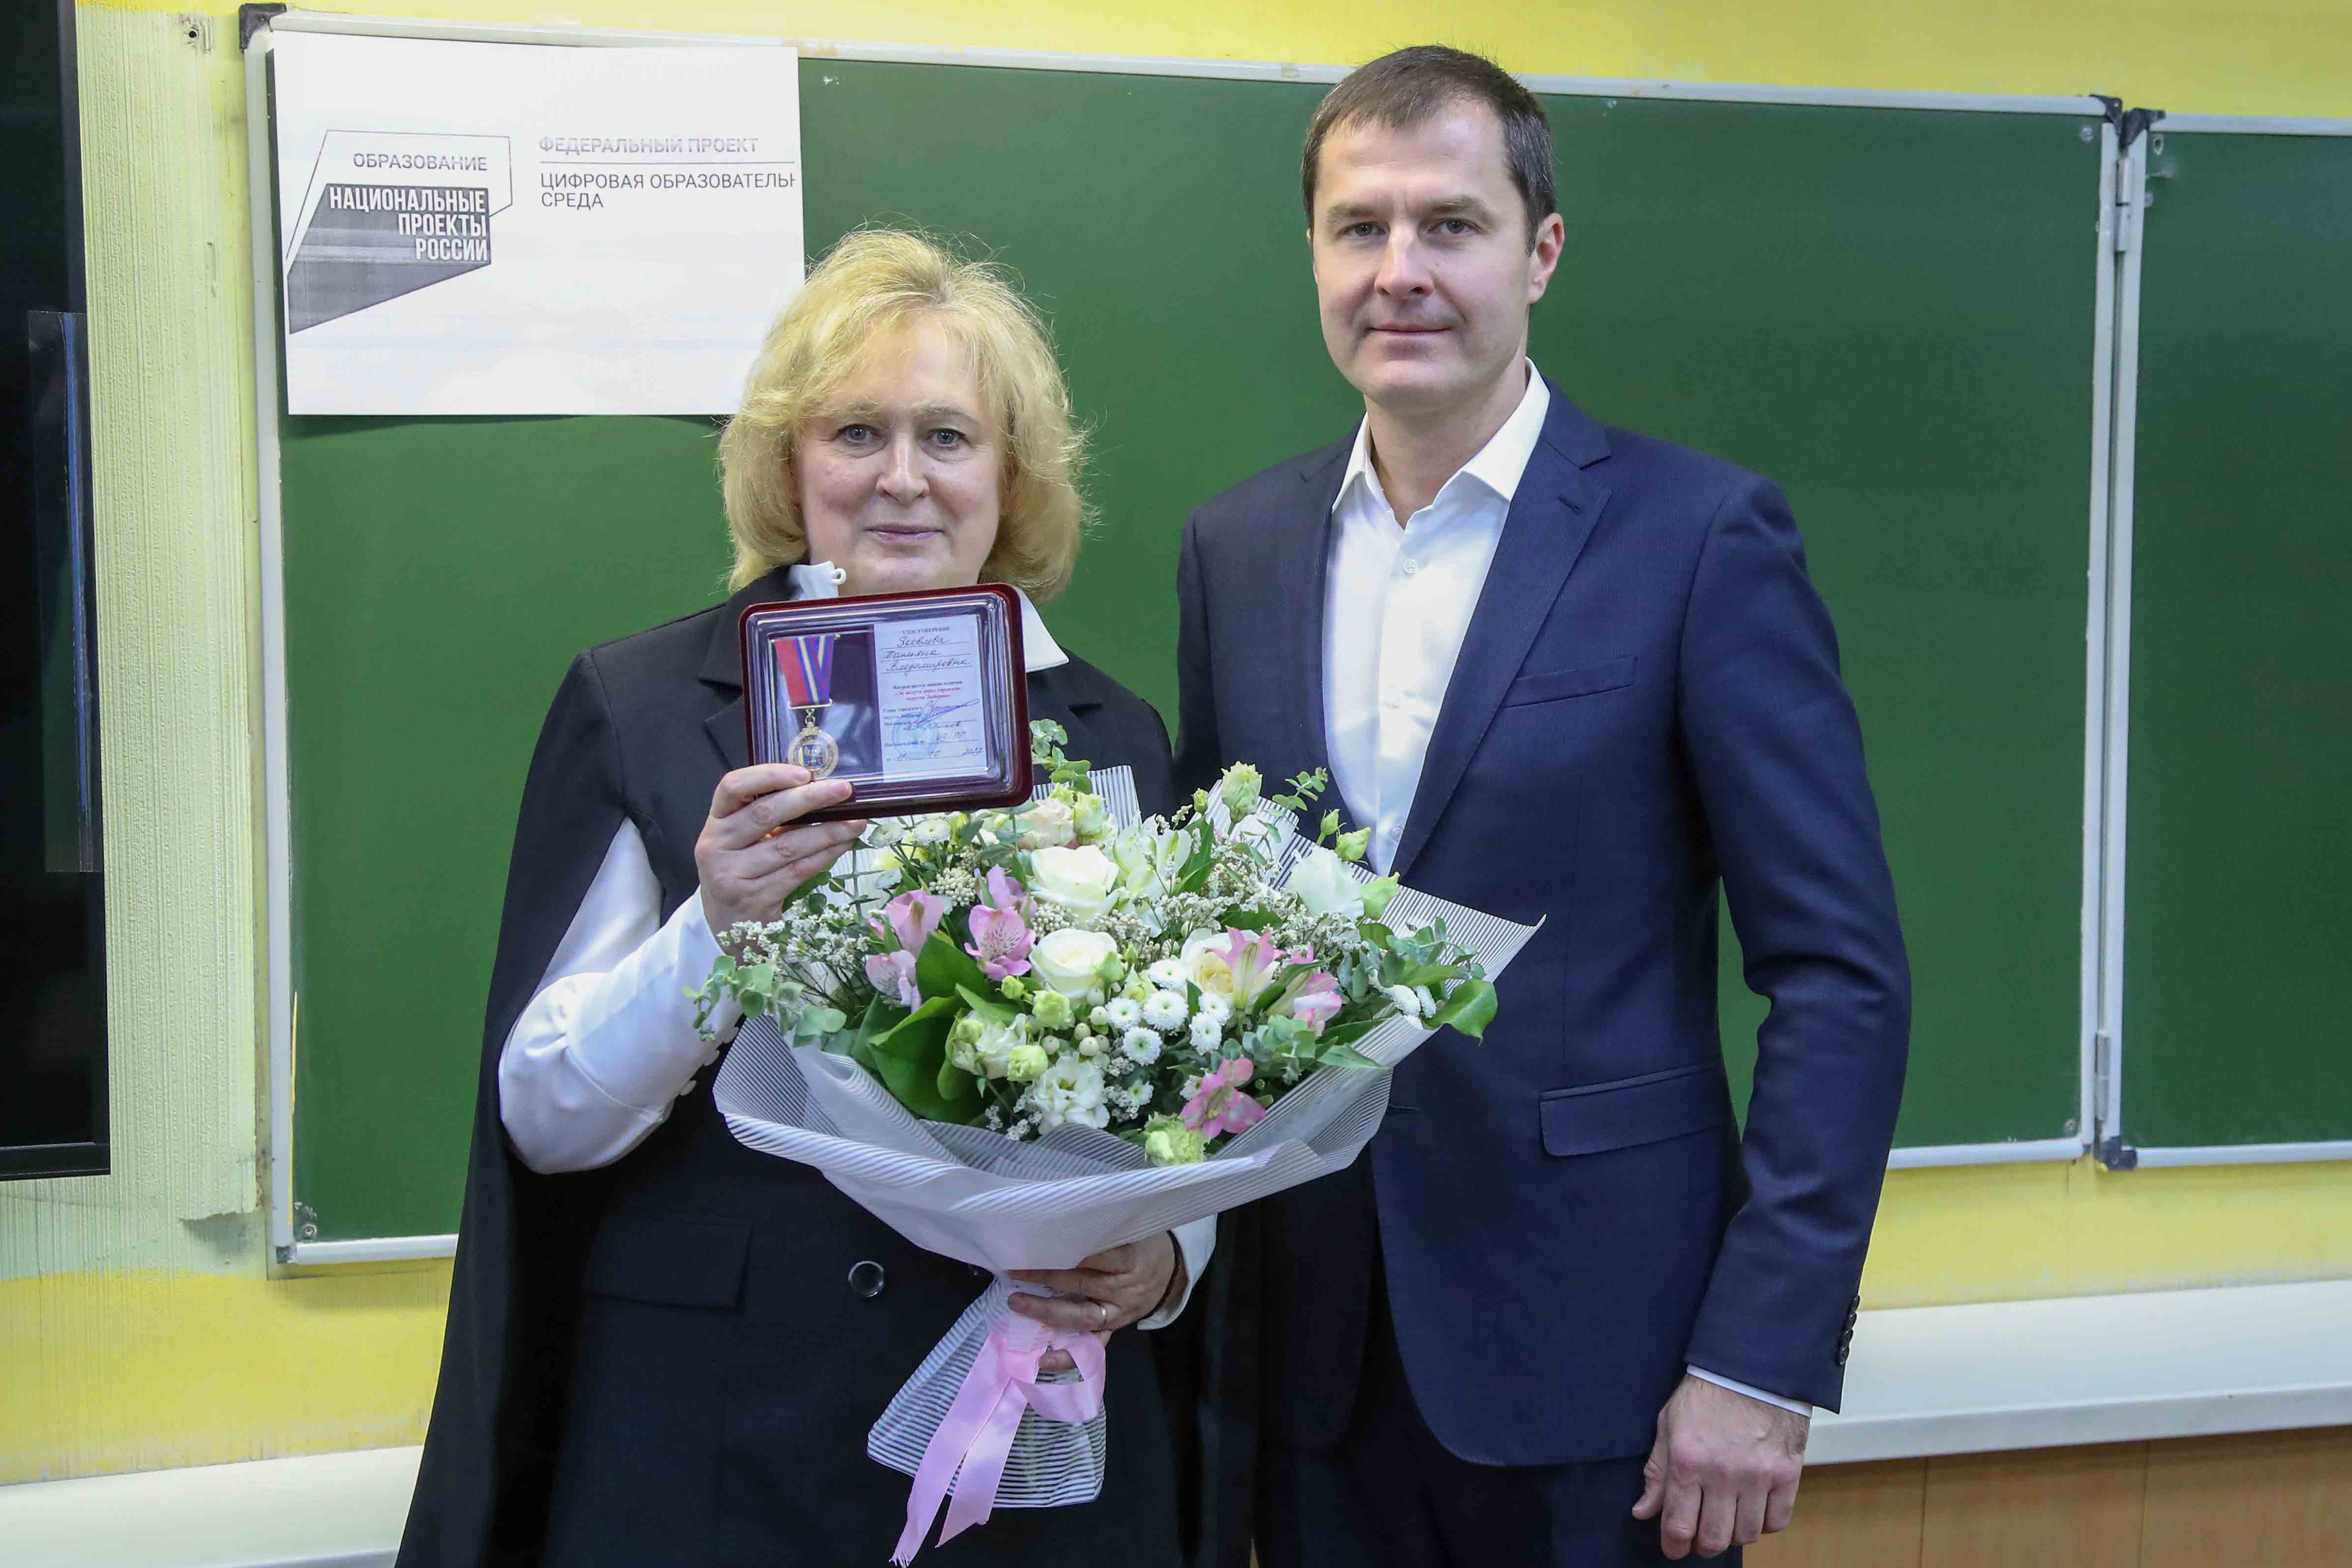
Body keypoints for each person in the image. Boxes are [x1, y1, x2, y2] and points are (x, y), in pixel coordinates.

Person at [1173, 47, 1910, 1568]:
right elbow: (1214, 945)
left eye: (1451, 224)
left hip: (1607, 1375)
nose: (1401, 271)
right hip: (1306, 1364)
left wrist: (1760, 1358)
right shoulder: (1235, 549)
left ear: (1542, 250)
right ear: (1312, 252)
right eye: (1360, 227)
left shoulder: (1698, 537)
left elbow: (1838, 976)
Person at [398, 229, 1212, 1568]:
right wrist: (716, 930)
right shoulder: (646, 706)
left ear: (1012, 476)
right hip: (722, 1447)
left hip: (1022, 1445)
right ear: (788, 465)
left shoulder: (1109, 730)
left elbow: (1187, 1086)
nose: (902, 478)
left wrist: (1167, 1258)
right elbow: (543, 1119)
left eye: (948, 437)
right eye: (854, 434)